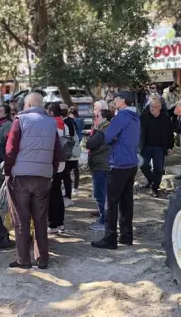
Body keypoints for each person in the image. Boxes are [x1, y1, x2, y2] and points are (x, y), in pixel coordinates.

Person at [4, 92, 62, 269]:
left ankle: (23, 260)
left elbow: (11, 148)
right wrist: (51, 172)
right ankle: (42, 259)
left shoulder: (19, 121)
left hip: (20, 176)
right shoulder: (52, 123)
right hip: (43, 177)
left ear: (28, 105)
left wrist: (7, 171)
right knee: (40, 219)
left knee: (21, 220)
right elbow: (56, 151)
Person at [91, 91, 140, 250]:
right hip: (132, 162)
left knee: (111, 203)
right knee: (127, 201)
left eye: (117, 99)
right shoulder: (136, 117)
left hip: (119, 163)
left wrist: (114, 140)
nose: (114, 101)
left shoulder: (121, 116)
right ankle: (126, 236)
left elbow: (107, 137)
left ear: (123, 101)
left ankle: (110, 238)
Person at [140, 94, 174, 197]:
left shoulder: (165, 118)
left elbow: (170, 134)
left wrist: (170, 147)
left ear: (160, 107)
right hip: (146, 146)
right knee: (143, 165)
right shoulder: (144, 116)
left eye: (155, 107)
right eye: (151, 107)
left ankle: (155, 188)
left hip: (159, 147)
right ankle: (152, 180)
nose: (152, 109)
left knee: (158, 169)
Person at [86, 109, 113, 232]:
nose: (95, 118)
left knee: (100, 195)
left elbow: (90, 143)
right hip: (103, 165)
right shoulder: (107, 129)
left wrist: (95, 130)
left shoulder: (103, 131)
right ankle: (104, 219)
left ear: (105, 118)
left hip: (101, 166)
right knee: (103, 194)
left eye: (97, 116)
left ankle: (104, 222)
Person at [46, 102, 71, 230]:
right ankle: (60, 223)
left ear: (50, 112)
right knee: (58, 193)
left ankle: (53, 223)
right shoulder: (64, 125)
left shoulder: (50, 125)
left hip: (52, 163)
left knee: (51, 194)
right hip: (62, 163)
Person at [62, 104, 81, 201]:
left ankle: (68, 194)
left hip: (68, 151)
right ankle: (73, 189)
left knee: (67, 173)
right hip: (74, 150)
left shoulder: (66, 122)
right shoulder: (72, 121)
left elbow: (69, 137)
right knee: (73, 170)